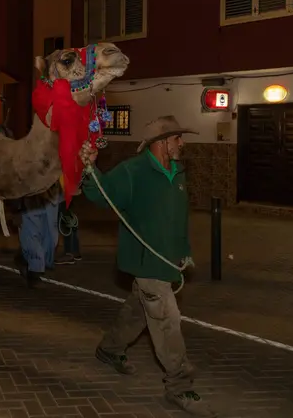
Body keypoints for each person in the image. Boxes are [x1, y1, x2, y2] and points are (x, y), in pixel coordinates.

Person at [80, 116, 215, 417]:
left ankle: (110, 349)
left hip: (167, 261)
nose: (182, 143)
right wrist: (89, 170)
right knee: (167, 321)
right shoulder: (133, 171)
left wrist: (185, 252)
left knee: (137, 311)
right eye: (177, 138)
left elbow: (180, 219)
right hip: (148, 263)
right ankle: (179, 386)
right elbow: (100, 193)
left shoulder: (177, 173)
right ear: (162, 143)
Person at [14, 182, 62, 287]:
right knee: (31, 233)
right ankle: (34, 272)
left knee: (50, 236)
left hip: (51, 191)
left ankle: (24, 256)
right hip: (30, 190)